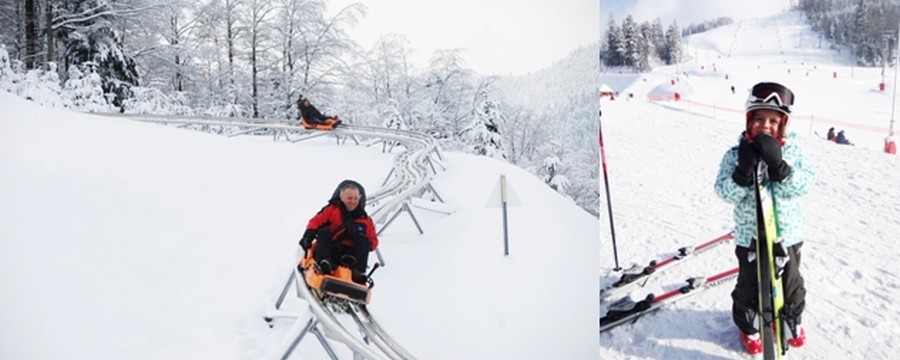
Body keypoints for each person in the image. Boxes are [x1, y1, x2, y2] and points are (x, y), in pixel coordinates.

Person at [714, 82, 814, 355]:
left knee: (791, 284)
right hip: (750, 237)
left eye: (773, 120)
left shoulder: (793, 152)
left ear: (783, 124)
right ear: (749, 121)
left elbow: (804, 185)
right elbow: (723, 191)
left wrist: (780, 167)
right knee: (749, 286)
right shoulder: (735, 155)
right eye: (758, 119)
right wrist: (742, 172)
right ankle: (749, 327)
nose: (765, 125)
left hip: (787, 235)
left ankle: (792, 320)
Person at [298, 180, 379, 284]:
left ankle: (358, 272)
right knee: (324, 232)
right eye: (349, 198)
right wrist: (308, 236)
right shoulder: (332, 209)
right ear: (342, 198)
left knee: (363, 241)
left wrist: (359, 238)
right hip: (331, 249)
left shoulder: (365, 220)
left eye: (355, 198)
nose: (353, 201)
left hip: (351, 255)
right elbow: (316, 221)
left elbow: (374, 241)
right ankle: (324, 263)